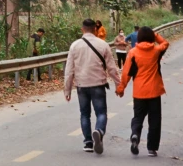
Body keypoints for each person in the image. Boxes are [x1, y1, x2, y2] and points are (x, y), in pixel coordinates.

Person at [64, 18, 121, 154]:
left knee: (84, 114)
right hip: (98, 84)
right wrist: (119, 85)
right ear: (95, 29)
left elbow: (69, 69)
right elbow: (111, 67)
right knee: (101, 113)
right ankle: (99, 131)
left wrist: (67, 89)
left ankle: (88, 142)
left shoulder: (75, 45)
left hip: (81, 85)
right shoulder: (103, 44)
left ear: (82, 29)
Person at [116, 26, 169, 157]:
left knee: (138, 117)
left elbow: (127, 72)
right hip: (154, 91)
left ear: (138, 37)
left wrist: (121, 87)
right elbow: (165, 43)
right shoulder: (156, 51)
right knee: (155, 119)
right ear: (151, 37)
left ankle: (135, 135)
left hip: (139, 92)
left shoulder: (133, 53)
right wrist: (155, 35)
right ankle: (152, 148)